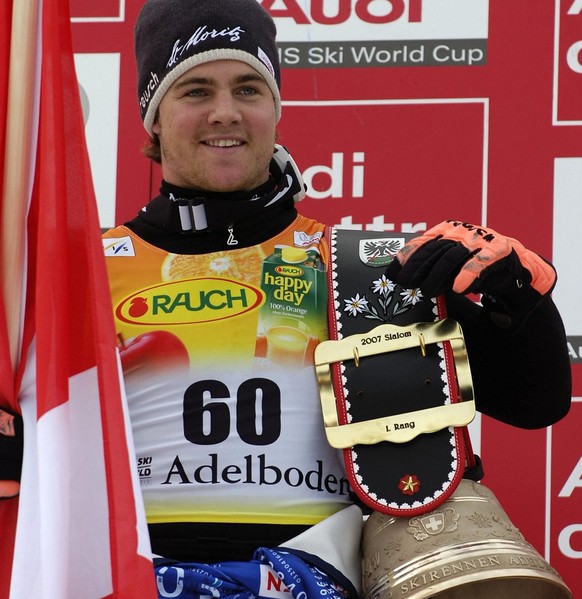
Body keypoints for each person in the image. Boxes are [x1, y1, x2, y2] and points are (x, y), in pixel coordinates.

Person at [1, 0, 572, 596]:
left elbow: (536, 401)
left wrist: (516, 296)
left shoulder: (361, 266)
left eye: (248, 88)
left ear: (274, 106)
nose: (226, 113)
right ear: (152, 115)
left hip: (313, 578)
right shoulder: (80, 275)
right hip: (119, 578)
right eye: (195, 91)